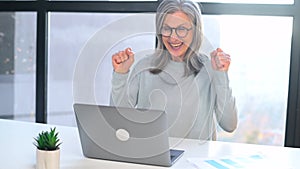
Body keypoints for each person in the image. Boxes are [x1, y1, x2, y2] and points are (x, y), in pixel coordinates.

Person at [110, 0, 237, 140]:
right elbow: (119, 122)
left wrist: (221, 75)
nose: (173, 37)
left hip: (195, 159)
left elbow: (229, 125)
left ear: (195, 31)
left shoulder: (210, 68)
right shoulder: (144, 66)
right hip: (151, 157)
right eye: (166, 28)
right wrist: (120, 75)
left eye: (182, 29)